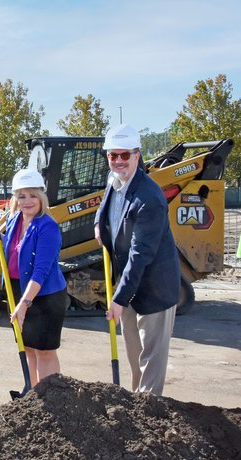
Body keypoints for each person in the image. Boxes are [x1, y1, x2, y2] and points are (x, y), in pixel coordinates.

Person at [94, 124, 180, 396]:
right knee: (133, 352)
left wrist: (119, 300)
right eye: (113, 155)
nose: (118, 161)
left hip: (153, 285)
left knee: (151, 358)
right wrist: (99, 225)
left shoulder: (149, 198)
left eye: (125, 155)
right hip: (127, 281)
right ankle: (135, 411)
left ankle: (150, 413)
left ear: (137, 155)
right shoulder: (114, 181)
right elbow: (103, 208)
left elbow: (140, 253)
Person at [0, 169, 67, 386]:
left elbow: (41, 270)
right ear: (15, 199)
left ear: (41, 197)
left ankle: (51, 399)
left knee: (44, 350)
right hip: (18, 290)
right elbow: (11, 249)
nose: (27, 201)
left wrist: (24, 303)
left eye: (32, 195)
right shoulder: (14, 220)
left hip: (44, 296)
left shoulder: (47, 226)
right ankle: (31, 395)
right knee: (27, 346)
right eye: (22, 196)